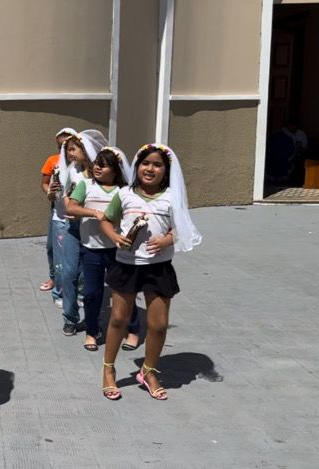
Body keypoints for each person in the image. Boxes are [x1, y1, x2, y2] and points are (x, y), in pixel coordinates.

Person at [99, 143, 202, 401]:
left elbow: (181, 228)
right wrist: (115, 237)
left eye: (157, 165)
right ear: (137, 167)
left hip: (158, 268)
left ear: (166, 171)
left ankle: (148, 371)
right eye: (146, 163)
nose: (150, 169)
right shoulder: (124, 195)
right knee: (118, 320)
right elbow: (105, 220)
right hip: (126, 265)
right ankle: (108, 370)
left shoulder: (171, 197)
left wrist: (168, 240)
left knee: (158, 324)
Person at [66, 146, 139, 352]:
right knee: (91, 293)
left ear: (115, 171)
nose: (98, 167)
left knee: (124, 292)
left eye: (104, 165)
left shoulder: (123, 191)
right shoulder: (85, 185)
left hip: (118, 250)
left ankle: (132, 331)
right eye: (97, 163)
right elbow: (71, 207)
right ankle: (91, 331)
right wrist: (93, 212)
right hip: (91, 249)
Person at [56, 130, 109, 336]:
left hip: (95, 231)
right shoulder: (72, 170)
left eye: (73, 149)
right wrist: (70, 207)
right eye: (68, 150)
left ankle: (92, 321)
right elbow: (67, 195)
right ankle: (70, 318)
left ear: (86, 150)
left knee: (92, 279)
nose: (70, 154)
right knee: (68, 273)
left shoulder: (101, 172)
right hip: (73, 228)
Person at [40, 127, 77, 303]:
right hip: (57, 209)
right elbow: (45, 183)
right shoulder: (53, 161)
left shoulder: (80, 167)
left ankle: (72, 287)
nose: (64, 150)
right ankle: (55, 279)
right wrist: (50, 193)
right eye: (61, 146)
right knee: (52, 248)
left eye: (68, 146)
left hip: (73, 213)